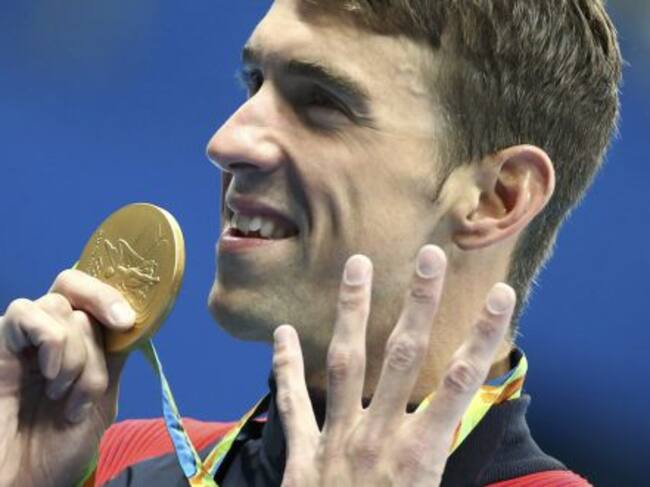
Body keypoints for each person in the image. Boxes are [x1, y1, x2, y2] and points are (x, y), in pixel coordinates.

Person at [0, 0, 622, 485]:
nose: (227, 140)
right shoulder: (114, 463)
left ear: (498, 198)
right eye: (254, 85)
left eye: (321, 102)